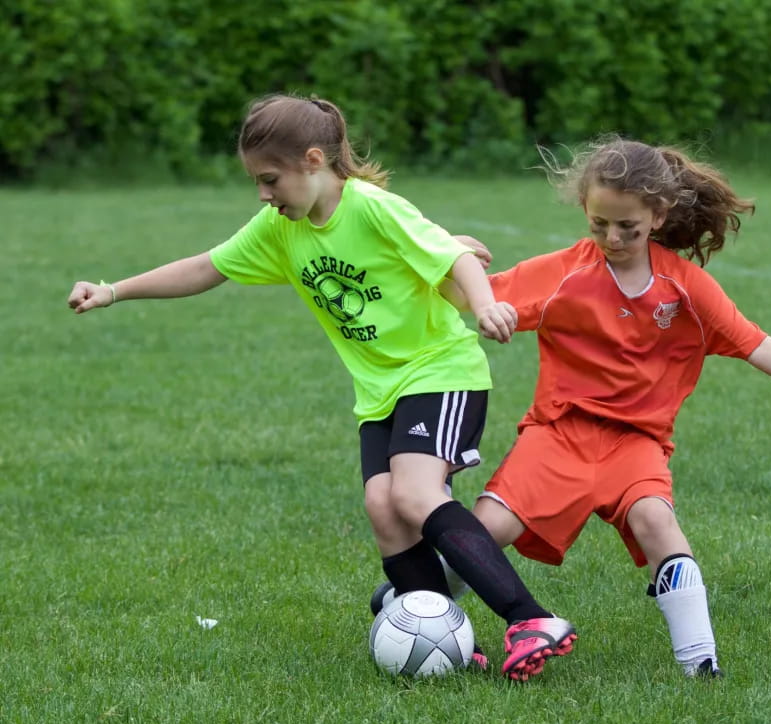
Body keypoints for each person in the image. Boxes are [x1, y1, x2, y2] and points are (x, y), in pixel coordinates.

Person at [66, 93, 575, 681]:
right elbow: (206, 266)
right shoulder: (280, 229)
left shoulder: (373, 208)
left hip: (440, 372)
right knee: (383, 509)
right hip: (377, 391)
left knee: (413, 493)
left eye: (269, 179)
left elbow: (455, 259)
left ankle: (530, 618)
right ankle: (452, 637)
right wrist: (113, 291)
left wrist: (485, 307)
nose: (262, 194)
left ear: (313, 160)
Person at [376, 134, 771, 678]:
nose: (612, 237)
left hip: (637, 445)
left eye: (627, 226)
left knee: (656, 520)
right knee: (484, 533)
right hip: (557, 437)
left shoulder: (686, 288)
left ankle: (700, 662)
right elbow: (476, 294)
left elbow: (751, 340)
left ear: (658, 214)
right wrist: (449, 252)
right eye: (599, 224)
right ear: (586, 209)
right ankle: (415, 604)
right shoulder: (565, 273)